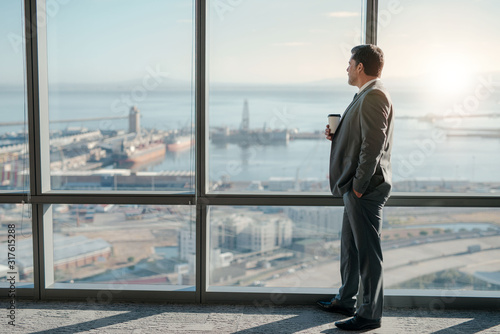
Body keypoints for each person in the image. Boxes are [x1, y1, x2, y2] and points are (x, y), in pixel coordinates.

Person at [317, 44, 394, 331]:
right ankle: (346, 299)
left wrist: (359, 187)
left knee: (367, 253)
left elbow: (372, 148)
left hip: (365, 188)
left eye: (349, 63)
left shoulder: (374, 96)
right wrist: (336, 135)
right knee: (350, 248)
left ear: (360, 67)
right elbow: (360, 139)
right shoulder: (363, 95)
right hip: (356, 187)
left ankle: (370, 314)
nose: (346, 68)